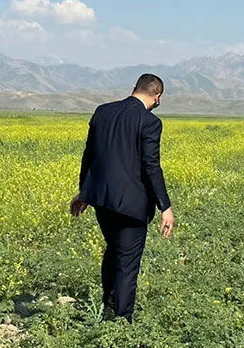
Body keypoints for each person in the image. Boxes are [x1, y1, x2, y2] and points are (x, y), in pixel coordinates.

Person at [70, 73, 174, 323]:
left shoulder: (102, 112)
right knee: (127, 262)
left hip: (102, 200)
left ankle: (109, 303)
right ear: (157, 96)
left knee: (114, 250)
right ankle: (122, 323)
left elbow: (90, 154)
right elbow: (151, 166)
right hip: (131, 205)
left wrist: (84, 191)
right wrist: (165, 206)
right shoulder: (149, 122)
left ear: (134, 89)